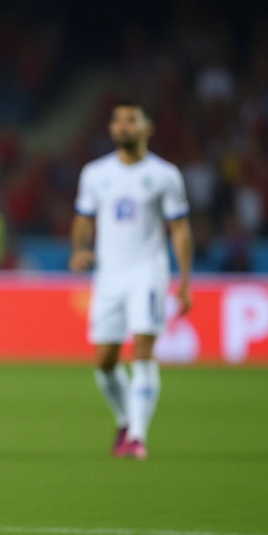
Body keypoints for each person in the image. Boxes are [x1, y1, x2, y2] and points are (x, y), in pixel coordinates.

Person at [69, 101, 193, 460]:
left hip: (148, 272)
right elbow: (83, 216)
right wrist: (78, 248)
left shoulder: (165, 175)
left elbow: (179, 229)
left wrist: (184, 281)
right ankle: (126, 422)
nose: (123, 126)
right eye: (118, 121)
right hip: (108, 276)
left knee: (142, 350)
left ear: (146, 128)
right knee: (105, 362)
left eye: (131, 120)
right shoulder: (95, 173)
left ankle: (137, 436)